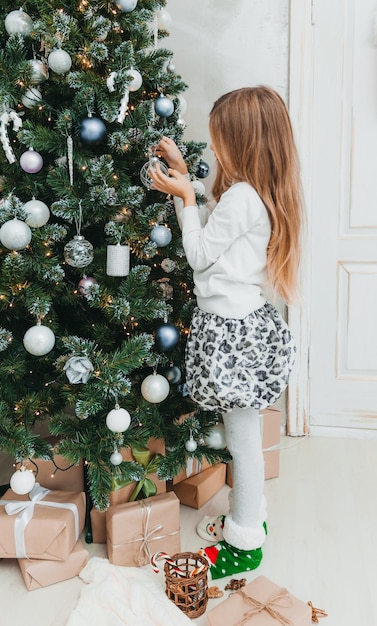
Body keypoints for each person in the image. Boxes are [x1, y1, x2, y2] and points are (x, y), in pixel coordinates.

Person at [149, 86, 304, 580]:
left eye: (219, 141)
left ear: (241, 142)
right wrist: (186, 172)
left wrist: (186, 198)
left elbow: (198, 253)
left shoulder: (240, 198)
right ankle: (250, 515)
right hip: (248, 325)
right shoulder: (258, 192)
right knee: (246, 437)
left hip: (232, 333)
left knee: (242, 441)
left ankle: (245, 541)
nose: (214, 149)